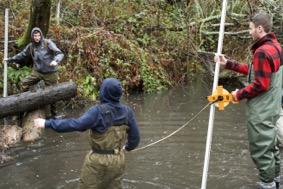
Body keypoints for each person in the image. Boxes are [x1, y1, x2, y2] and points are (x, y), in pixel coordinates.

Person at [214, 11, 283, 189]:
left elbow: (261, 84)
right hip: (274, 108)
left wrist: (237, 94)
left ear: (260, 28)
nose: (249, 31)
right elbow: (257, 72)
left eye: (250, 28)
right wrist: (228, 63)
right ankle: (275, 181)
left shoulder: (261, 51)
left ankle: (267, 184)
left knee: (261, 149)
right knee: (272, 146)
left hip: (262, 111)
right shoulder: (276, 46)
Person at [33, 78, 140, 189]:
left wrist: (47, 123)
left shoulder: (97, 112)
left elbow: (75, 124)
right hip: (118, 160)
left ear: (103, 92)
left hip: (97, 161)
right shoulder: (128, 112)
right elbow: (135, 139)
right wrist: (127, 147)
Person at [5, 27, 64, 91]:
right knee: (24, 83)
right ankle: (29, 98)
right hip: (37, 72)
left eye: (39, 35)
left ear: (41, 35)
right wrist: (10, 59)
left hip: (50, 73)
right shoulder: (31, 46)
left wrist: (55, 61)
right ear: (32, 36)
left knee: (52, 92)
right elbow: (22, 54)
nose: (37, 37)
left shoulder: (47, 43)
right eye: (35, 36)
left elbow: (60, 53)